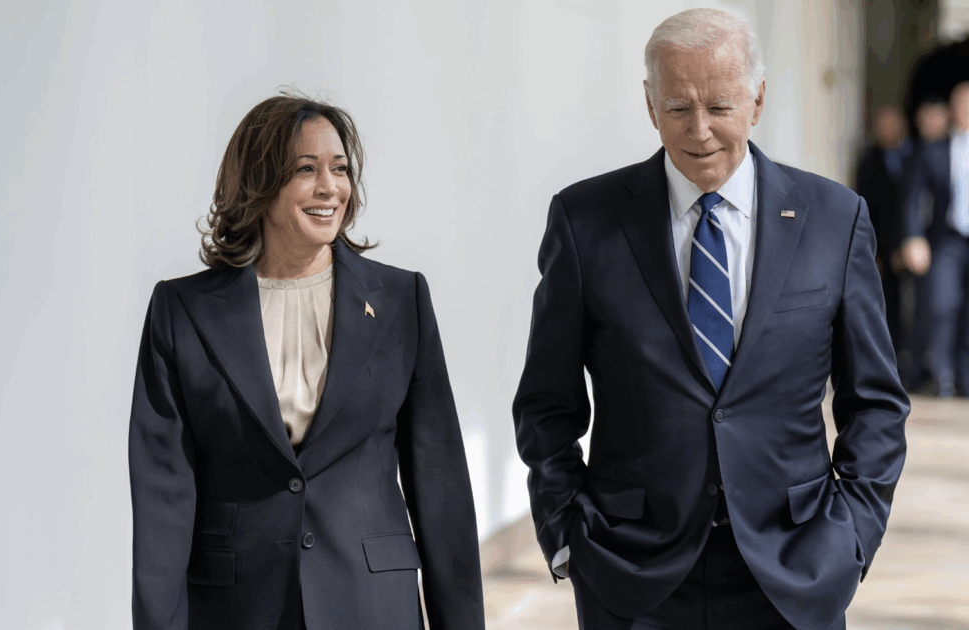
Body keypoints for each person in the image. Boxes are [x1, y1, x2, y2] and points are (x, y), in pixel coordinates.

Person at [513, 8, 909, 630]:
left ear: (758, 100)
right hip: (631, 572)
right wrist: (566, 534)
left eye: (720, 106)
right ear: (650, 105)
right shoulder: (584, 221)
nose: (699, 131)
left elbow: (877, 402)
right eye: (678, 107)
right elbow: (545, 404)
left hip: (796, 568)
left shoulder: (836, 218)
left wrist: (853, 536)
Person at [128, 94, 485, 629]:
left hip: (371, 603)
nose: (329, 187)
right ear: (258, 182)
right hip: (238, 607)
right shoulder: (181, 310)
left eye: (340, 169)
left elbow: (440, 482)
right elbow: (164, 497)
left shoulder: (401, 300)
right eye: (305, 169)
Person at [901, 82, 969, 399]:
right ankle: (942, 375)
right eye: (961, 104)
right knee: (942, 305)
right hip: (948, 240)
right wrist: (913, 237)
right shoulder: (934, 149)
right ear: (952, 110)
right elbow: (914, 198)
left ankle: (966, 376)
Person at [854, 105, 912, 384]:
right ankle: (882, 367)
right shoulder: (868, 161)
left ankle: (909, 365)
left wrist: (906, 244)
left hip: (908, 247)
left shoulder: (913, 157)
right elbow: (863, 208)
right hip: (879, 248)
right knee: (882, 307)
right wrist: (871, 252)